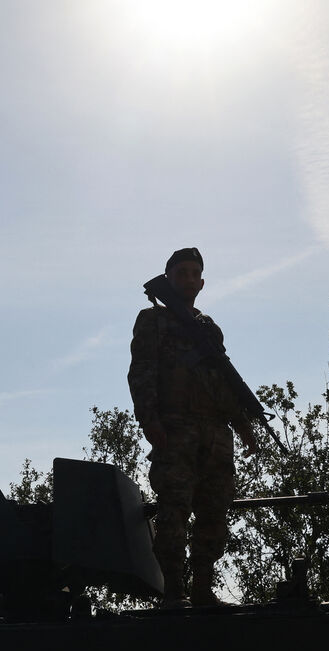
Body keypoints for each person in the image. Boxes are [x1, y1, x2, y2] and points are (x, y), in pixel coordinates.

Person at [128, 247, 258, 607]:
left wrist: (243, 424)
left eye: (193, 274)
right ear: (168, 278)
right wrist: (149, 420)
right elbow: (141, 372)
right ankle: (173, 592)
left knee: (215, 512)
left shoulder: (208, 328)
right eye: (180, 273)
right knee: (174, 511)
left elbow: (223, 382)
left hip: (215, 434)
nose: (187, 279)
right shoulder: (152, 320)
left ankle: (202, 589)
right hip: (176, 429)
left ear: (202, 283)